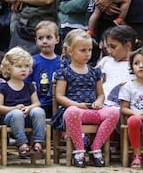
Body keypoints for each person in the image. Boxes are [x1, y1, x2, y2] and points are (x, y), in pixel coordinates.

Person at [51, 29, 119, 168]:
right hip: (75, 113)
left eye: (89, 50)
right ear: (70, 51)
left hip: (93, 111)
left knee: (113, 112)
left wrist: (99, 101)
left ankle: (96, 147)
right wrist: (76, 105)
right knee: (71, 111)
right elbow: (59, 96)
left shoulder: (95, 72)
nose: (88, 54)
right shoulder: (64, 73)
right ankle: (79, 150)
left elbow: (100, 94)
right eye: (83, 50)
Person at [0, 46, 46, 157]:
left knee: (38, 111)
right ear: (8, 68)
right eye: (19, 66)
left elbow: (37, 103)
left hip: (27, 117)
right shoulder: (3, 87)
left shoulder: (29, 86)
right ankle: (22, 143)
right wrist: (14, 108)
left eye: (27, 66)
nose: (24, 69)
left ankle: (38, 142)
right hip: (10, 118)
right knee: (17, 114)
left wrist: (29, 108)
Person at [119, 46, 143, 169]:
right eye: (137, 63)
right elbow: (124, 109)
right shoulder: (128, 87)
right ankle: (137, 155)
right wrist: (135, 113)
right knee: (132, 120)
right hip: (136, 119)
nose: (141, 66)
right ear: (132, 67)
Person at [98, 25, 140, 108]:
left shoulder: (138, 65)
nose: (109, 51)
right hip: (101, 104)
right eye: (107, 47)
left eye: (113, 47)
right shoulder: (106, 61)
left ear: (128, 45)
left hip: (123, 107)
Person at [25, 21, 60, 118]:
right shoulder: (32, 61)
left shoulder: (62, 62)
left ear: (57, 39)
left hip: (59, 104)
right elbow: (27, 82)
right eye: (40, 38)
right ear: (36, 40)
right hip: (38, 104)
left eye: (49, 37)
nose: (44, 41)